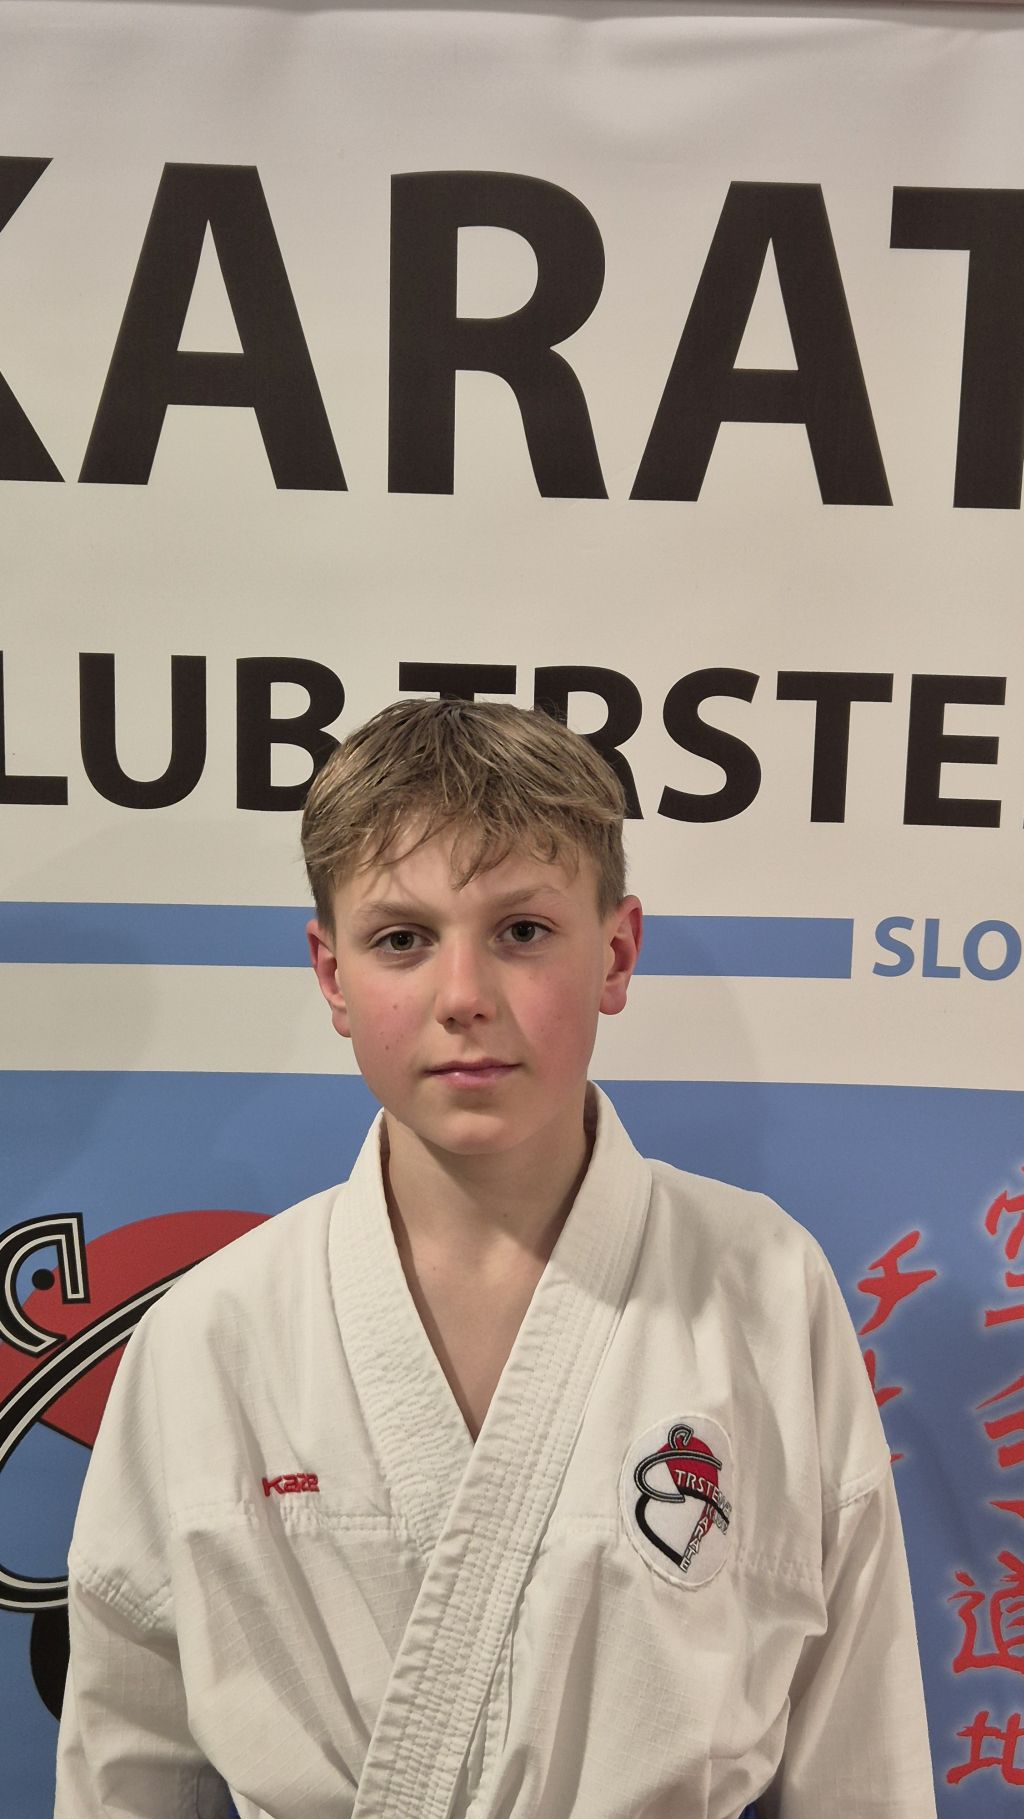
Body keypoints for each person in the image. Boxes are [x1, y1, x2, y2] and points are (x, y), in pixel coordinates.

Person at [54, 698, 937, 1819]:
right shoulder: (218, 1328)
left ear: (615, 952)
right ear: (331, 973)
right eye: (401, 939)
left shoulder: (762, 1283)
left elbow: (859, 1751)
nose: (464, 996)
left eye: (521, 931)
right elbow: (124, 1760)